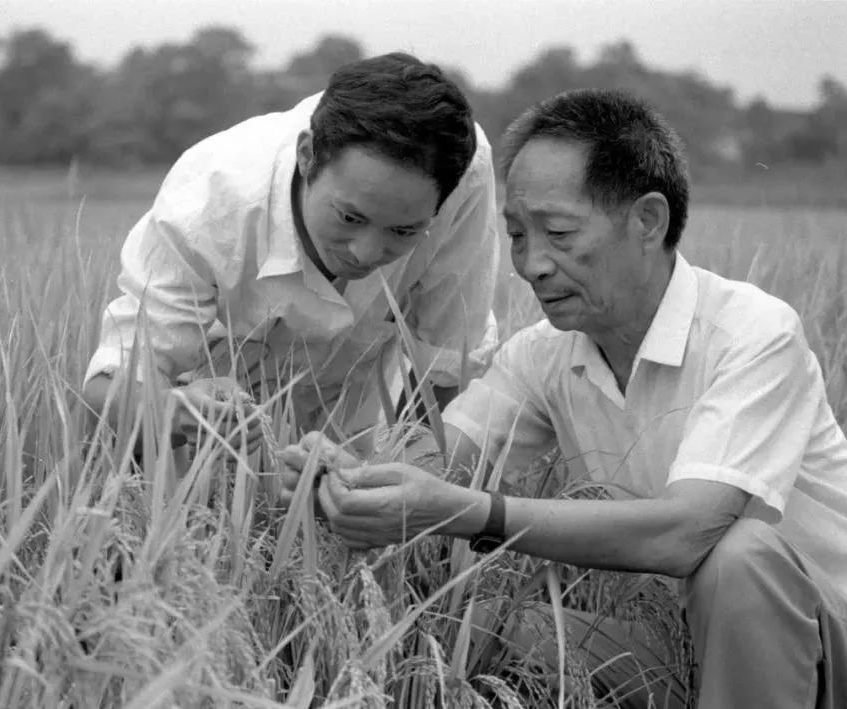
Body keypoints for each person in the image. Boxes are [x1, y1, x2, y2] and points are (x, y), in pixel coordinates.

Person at [279, 88, 847, 707]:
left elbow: (685, 535)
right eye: (518, 235)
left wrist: (477, 514)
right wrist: (343, 476)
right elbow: (441, 460)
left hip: (818, 649)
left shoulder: (753, 332)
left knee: (741, 555)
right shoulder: (543, 354)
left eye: (558, 232)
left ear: (648, 221)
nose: (532, 264)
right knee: (484, 619)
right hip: (681, 643)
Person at [82, 52, 499, 452]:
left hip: (357, 399)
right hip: (219, 410)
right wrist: (176, 412)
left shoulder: (463, 170)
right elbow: (113, 382)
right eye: (350, 218)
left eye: (404, 231)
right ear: (307, 155)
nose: (366, 253)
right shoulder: (210, 201)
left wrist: (409, 483)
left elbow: (448, 357)